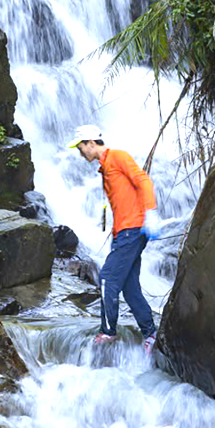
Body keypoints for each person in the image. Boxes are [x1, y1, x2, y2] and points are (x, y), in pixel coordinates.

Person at [67, 124, 162, 354]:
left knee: (108, 278)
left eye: (81, 147)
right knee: (129, 288)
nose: (80, 153)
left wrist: (150, 212)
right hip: (125, 232)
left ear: (91, 143)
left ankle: (108, 331)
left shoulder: (117, 156)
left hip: (133, 229)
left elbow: (143, 181)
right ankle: (151, 334)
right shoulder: (105, 166)